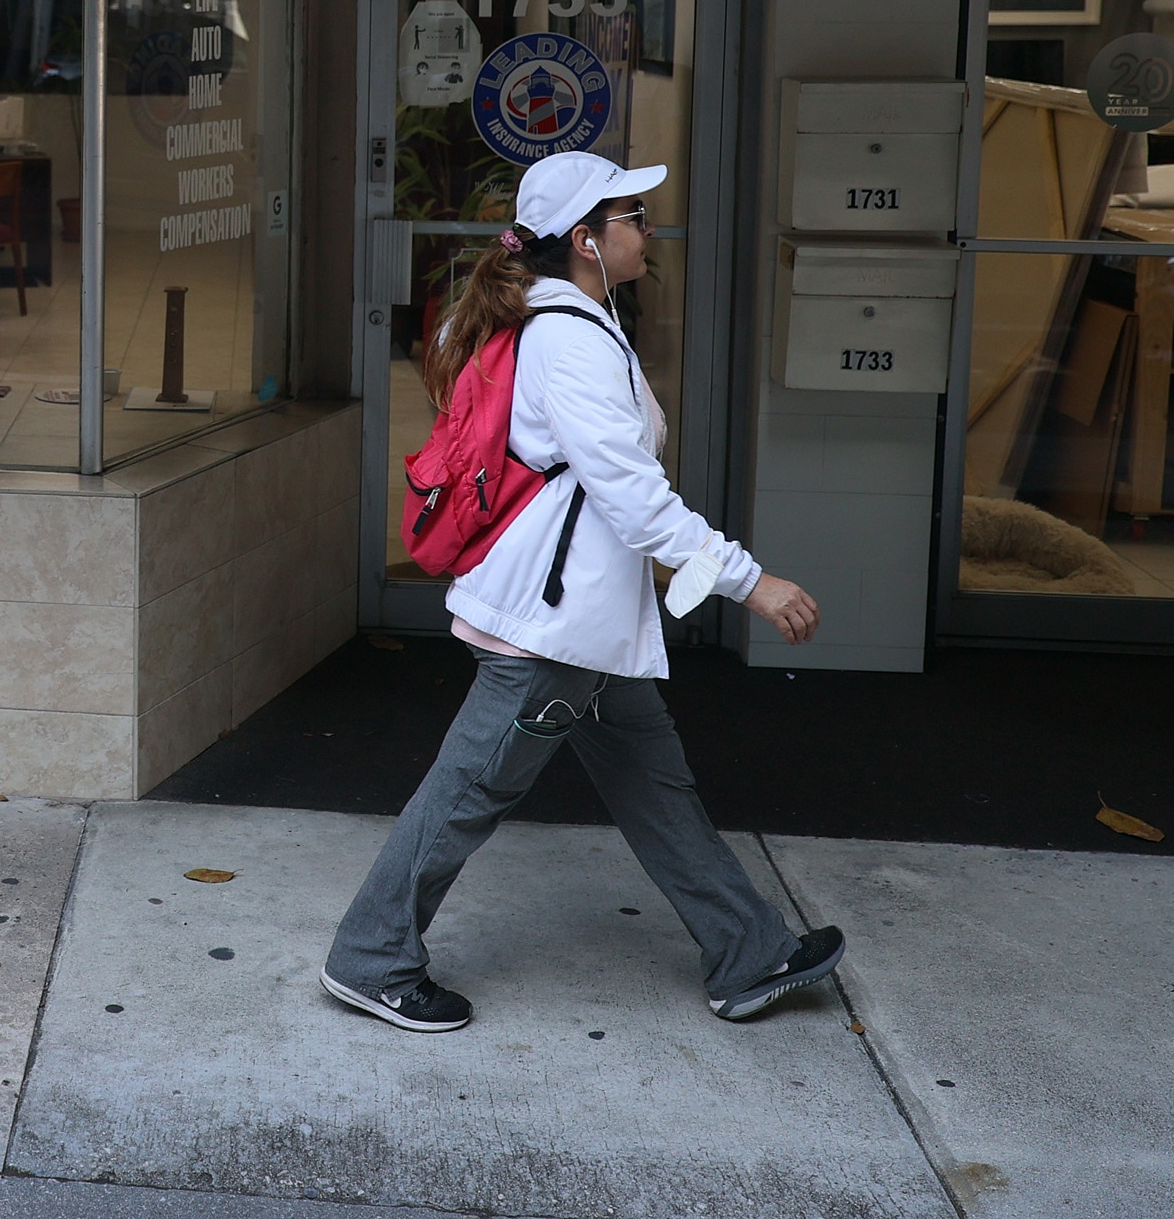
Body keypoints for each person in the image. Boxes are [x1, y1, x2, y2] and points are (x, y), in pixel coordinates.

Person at [321, 151, 844, 1033]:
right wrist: (750, 584)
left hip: (587, 628)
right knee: (468, 792)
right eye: (631, 215)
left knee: (655, 788)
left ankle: (748, 954)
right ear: (587, 241)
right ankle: (370, 958)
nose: (647, 229)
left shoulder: (576, 317)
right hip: (548, 636)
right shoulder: (565, 339)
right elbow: (633, 496)